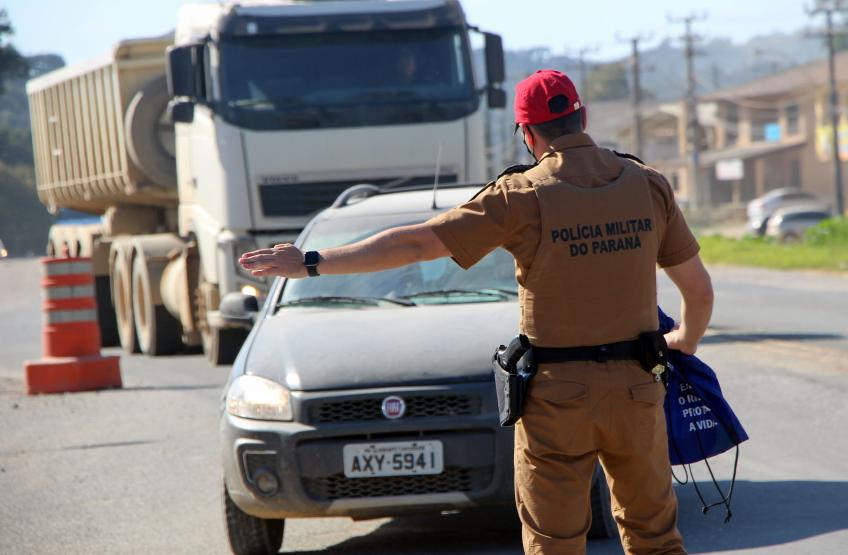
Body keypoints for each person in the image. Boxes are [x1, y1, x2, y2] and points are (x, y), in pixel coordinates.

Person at [239, 69, 713, 555]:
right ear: (583, 117)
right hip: (636, 386)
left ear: (527, 134)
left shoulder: (519, 196)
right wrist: (684, 341)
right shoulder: (648, 185)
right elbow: (697, 292)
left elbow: (418, 242)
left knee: (555, 541)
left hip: (557, 397)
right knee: (655, 537)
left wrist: (312, 261)